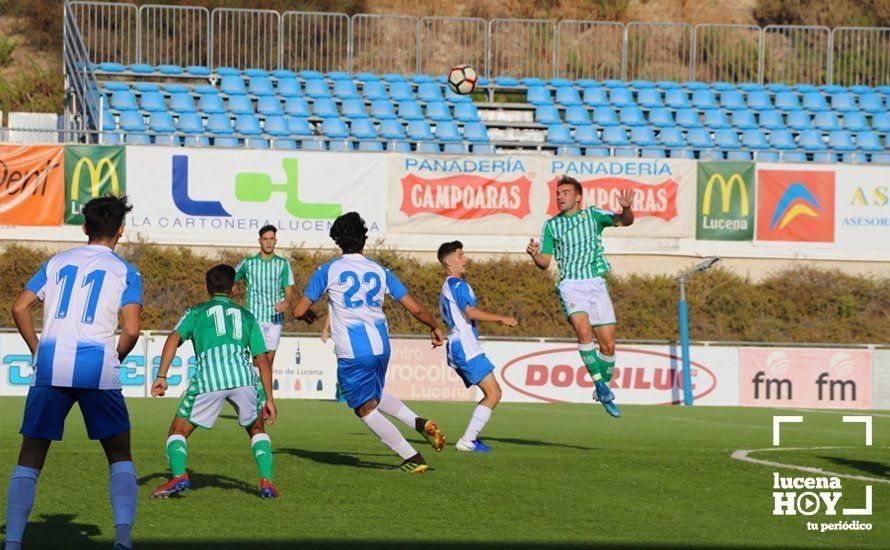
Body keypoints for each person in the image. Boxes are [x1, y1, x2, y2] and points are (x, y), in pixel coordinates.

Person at [6, 196, 141, 550]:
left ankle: (14, 542)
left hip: (51, 366)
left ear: (85, 228)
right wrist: (117, 359)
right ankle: (123, 540)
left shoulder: (56, 262)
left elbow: (19, 307)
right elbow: (130, 330)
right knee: (119, 455)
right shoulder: (126, 271)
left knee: (31, 457)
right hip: (97, 368)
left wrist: (38, 349)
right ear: (121, 232)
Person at [292, 212, 446, 473]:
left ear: (338, 240)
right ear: (364, 239)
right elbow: (415, 308)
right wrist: (434, 326)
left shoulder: (329, 270)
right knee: (373, 396)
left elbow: (298, 311)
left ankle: (412, 458)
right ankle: (419, 423)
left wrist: (308, 314)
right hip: (382, 347)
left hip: (354, 351)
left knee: (364, 409)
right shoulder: (380, 270)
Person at [149, 264, 279, 499]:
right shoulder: (248, 316)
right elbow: (262, 359)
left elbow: (173, 339)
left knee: (177, 431)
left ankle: (179, 475)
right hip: (244, 379)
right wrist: (269, 398)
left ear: (207, 287)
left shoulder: (196, 312)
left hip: (209, 379)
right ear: (234, 289)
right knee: (256, 428)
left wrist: (161, 376)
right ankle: (267, 481)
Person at [526, 176, 635, 418]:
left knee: (608, 345)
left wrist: (626, 209)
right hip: (571, 285)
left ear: (577, 197)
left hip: (596, 283)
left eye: (565, 193)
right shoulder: (551, 226)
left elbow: (624, 221)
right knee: (584, 332)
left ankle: (602, 386)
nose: (559, 197)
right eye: (557, 193)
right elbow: (545, 263)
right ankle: (600, 386)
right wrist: (535, 255)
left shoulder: (593, 216)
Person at [437, 241, 517, 452]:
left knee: (492, 393)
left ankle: (470, 439)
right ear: (448, 261)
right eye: (460, 255)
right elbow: (470, 312)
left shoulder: (446, 288)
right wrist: (502, 319)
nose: (465, 259)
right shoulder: (458, 285)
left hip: (458, 345)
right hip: (466, 346)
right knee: (494, 393)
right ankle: (467, 440)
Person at [234, 225, 295, 368]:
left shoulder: (282, 264)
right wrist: (234, 286)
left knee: (270, 359)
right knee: (258, 359)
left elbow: (289, 290)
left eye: (271, 239)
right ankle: (258, 390)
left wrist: (286, 302)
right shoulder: (248, 263)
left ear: (275, 241)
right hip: (255, 317)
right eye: (265, 239)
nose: (268, 242)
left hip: (275, 318)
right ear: (259, 241)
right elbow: (231, 278)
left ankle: (264, 389)